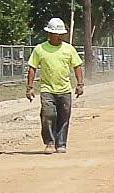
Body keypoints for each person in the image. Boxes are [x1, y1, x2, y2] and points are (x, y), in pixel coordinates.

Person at [26, 18, 84, 154]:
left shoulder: (69, 49)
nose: (60, 37)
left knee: (64, 117)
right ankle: (50, 142)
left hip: (65, 89)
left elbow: (77, 66)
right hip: (47, 89)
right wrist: (29, 87)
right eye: (57, 34)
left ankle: (61, 143)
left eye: (61, 34)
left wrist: (80, 84)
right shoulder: (40, 49)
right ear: (50, 34)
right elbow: (32, 68)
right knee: (48, 115)